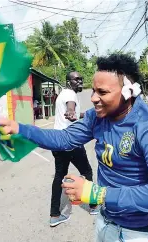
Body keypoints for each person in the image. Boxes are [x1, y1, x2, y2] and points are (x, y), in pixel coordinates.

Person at [0, 54, 148, 241]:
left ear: (128, 93)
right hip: (106, 220)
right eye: (93, 90)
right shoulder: (96, 117)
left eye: (103, 92)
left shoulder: (145, 126)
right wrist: (17, 127)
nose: (93, 98)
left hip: (137, 232)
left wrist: (97, 193)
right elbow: (64, 138)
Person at [49, 71, 94, 227]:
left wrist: (87, 114)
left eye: (81, 79)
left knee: (59, 176)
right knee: (87, 172)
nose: (80, 81)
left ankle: (54, 215)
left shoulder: (64, 93)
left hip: (58, 141)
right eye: (76, 79)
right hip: (71, 141)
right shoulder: (70, 94)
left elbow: (73, 112)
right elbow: (70, 108)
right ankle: (93, 205)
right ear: (68, 82)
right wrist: (71, 112)